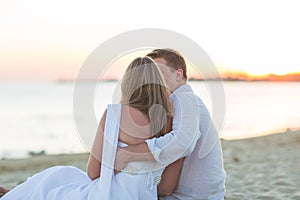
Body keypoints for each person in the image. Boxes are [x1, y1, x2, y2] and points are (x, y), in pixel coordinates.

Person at [1, 57, 182, 200]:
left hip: (110, 195)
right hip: (145, 196)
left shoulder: (115, 114)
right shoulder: (171, 123)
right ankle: (15, 193)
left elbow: (94, 172)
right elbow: (166, 188)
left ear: (128, 84)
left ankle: (14, 195)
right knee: (64, 175)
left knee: (53, 179)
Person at [115, 49, 226, 199]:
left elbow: (182, 143)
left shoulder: (185, 98)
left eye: (158, 73)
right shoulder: (174, 103)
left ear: (178, 75)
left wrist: (128, 154)